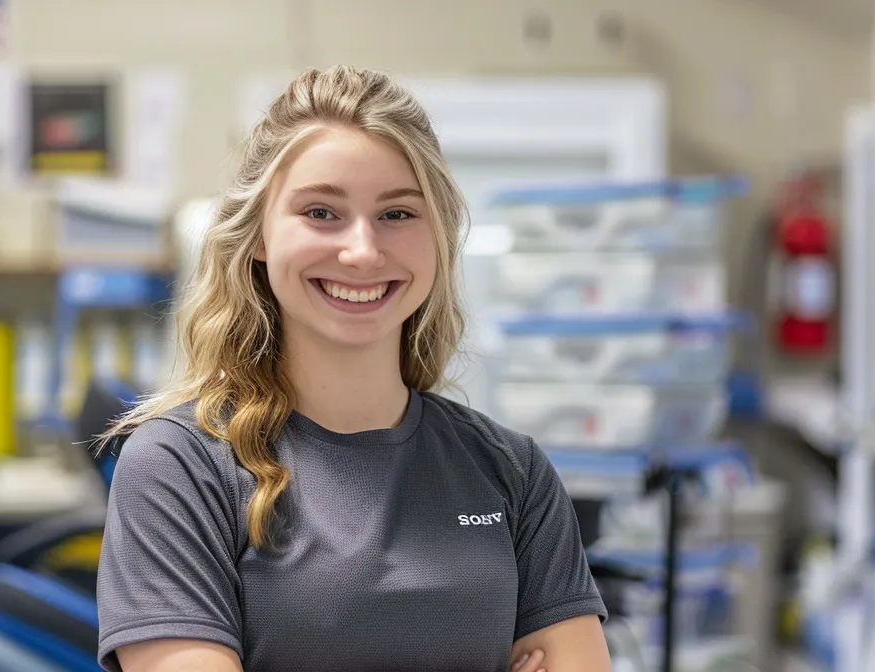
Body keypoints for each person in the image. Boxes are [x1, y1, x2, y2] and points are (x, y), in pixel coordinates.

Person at [95, 65, 612, 672]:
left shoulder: (511, 473)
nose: (362, 251)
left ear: (438, 237)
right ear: (259, 234)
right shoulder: (180, 468)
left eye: (397, 215)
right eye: (321, 212)